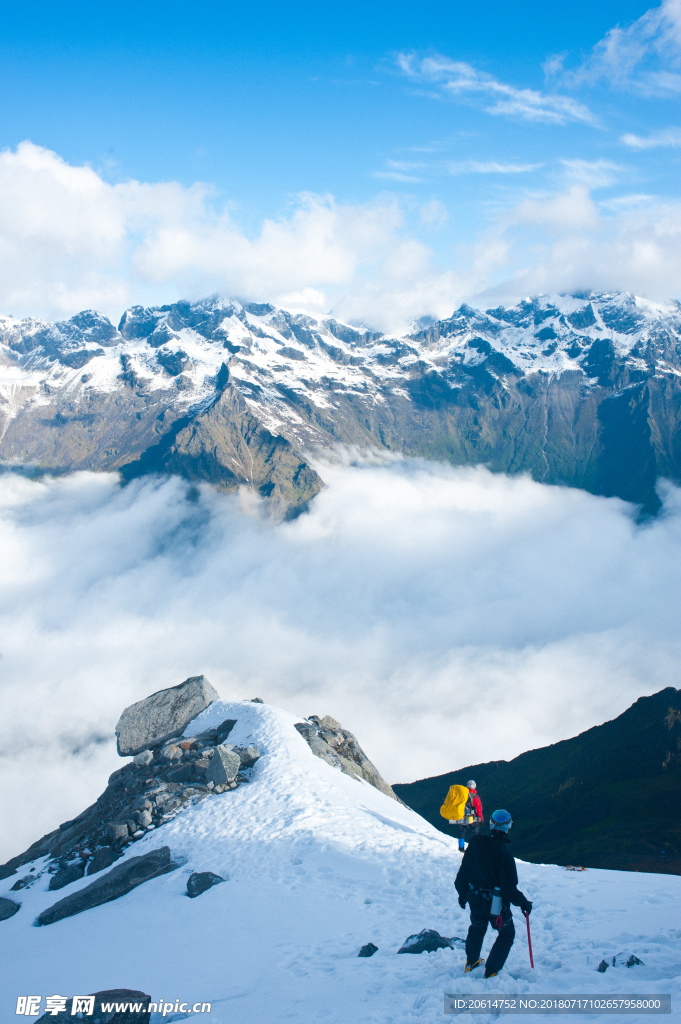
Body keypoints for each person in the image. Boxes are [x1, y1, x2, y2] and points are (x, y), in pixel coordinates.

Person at [454, 808, 533, 979]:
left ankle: (472, 962)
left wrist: (462, 893)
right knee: (507, 933)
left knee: (477, 927)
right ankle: (491, 971)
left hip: (474, 898)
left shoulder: (475, 844)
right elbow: (509, 890)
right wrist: (524, 903)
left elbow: (463, 872)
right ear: (508, 828)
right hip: (496, 904)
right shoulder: (505, 856)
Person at [457, 780, 484, 852]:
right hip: (472, 818)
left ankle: (461, 848)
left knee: (462, 833)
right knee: (475, 834)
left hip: (463, 817)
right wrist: (481, 819)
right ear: (474, 787)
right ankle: (475, 848)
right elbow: (479, 809)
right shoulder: (476, 797)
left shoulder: (462, 795)